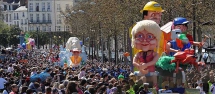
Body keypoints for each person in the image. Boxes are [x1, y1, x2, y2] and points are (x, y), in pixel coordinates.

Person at [132, 20, 161, 89]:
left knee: (154, 77)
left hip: (151, 73)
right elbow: (134, 61)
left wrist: (145, 65)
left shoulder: (154, 54)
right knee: (140, 78)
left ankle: (155, 87)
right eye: (140, 36)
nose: (144, 40)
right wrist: (139, 66)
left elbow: (154, 61)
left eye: (149, 36)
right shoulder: (139, 54)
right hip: (141, 72)